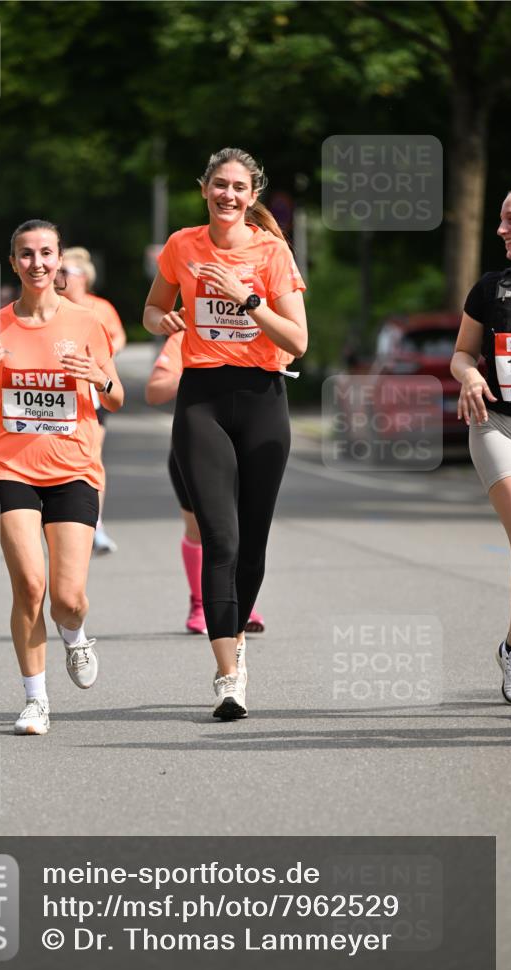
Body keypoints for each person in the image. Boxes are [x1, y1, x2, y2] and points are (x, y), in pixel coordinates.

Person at [143, 147, 307, 720]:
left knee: (254, 544)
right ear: (204, 189)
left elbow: (298, 340)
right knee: (221, 537)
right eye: (219, 185)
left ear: (253, 195)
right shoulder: (181, 245)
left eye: (239, 187)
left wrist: (248, 300)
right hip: (202, 401)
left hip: (263, 402)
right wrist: (161, 320)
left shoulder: (272, 252)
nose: (228, 195)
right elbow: (152, 308)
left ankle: (234, 638)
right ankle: (228, 675)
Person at [0, 219, 124, 735]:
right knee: (29, 585)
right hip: (10, 468)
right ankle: (36, 699)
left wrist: (96, 376)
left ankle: (75, 637)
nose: (37, 263)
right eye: (27, 255)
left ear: (60, 263)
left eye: (46, 253)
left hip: (74, 468)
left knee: (67, 598)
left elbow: (116, 395)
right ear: (14, 263)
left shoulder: (87, 321)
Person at [145, 329, 266, 635]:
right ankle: (200, 602)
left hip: (246, 446)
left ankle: (241, 601)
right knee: (204, 530)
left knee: (241, 529)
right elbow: (154, 392)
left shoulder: (253, 328)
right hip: (196, 448)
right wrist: (198, 372)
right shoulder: (184, 337)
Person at [451, 187, 511, 706]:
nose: (501, 229)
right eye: (499, 219)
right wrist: (469, 376)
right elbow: (461, 354)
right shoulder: (491, 289)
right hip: (495, 424)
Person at [59, 247, 126, 554]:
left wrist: (99, 359)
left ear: (83, 277)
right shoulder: (53, 308)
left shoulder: (100, 308)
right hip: (58, 395)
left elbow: (118, 338)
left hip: (93, 392)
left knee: (92, 456)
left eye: (66, 273)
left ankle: (94, 524)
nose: (60, 278)